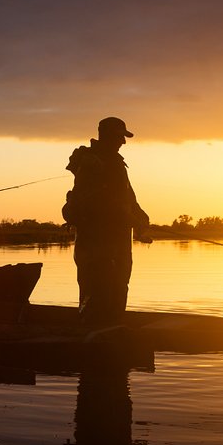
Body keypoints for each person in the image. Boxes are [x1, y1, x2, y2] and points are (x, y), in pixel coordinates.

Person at [62, 117, 150, 325]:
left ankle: (113, 331)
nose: (123, 142)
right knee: (96, 288)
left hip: (118, 241)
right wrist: (130, 219)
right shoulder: (91, 163)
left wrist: (141, 218)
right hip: (96, 242)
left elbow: (128, 197)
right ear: (108, 136)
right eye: (120, 137)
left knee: (119, 286)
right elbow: (101, 203)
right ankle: (91, 335)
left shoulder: (116, 163)